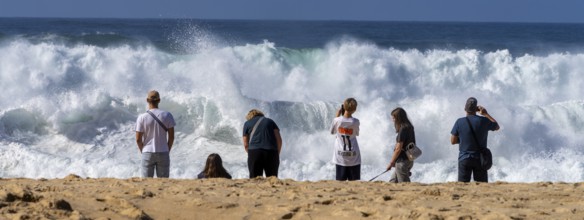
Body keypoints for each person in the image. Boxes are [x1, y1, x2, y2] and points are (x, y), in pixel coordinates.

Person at [450, 97, 499, 182]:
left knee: (462, 187)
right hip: (480, 159)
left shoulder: (459, 122)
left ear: (465, 109)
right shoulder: (483, 120)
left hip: (464, 158)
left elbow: (453, 141)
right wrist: (485, 114)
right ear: (476, 109)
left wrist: (463, 140)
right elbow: (497, 126)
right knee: (481, 186)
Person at [135, 90, 176, 178]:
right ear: (159, 100)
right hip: (163, 151)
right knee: (163, 183)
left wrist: (143, 151)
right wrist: (167, 149)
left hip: (147, 152)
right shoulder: (167, 115)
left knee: (146, 183)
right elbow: (171, 137)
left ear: (147, 100)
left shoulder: (142, 117)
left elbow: (138, 139)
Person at [242, 109, 282, 178]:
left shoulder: (247, 123)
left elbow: (246, 144)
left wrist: (252, 154)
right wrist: (276, 153)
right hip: (271, 152)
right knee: (272, 179)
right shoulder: (270, 121)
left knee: (254, 180)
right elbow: (279, 140)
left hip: (254, 152)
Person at [330, 98, 361, 181]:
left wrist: (337, 116)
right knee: (354, 183)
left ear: (343, 107)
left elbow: (332, 132)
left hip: (340, 156)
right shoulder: (356, 121)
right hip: (353, 155)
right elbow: (356, 133)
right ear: (355, 109)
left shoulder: (336, 120)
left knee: (340, 182)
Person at [386, 107, 415, 183]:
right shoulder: (410, 127)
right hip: (409, 159)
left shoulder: (403, 129)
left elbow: (398, 148)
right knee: (392, 182)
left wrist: (391, 163)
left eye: (394, 118)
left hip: (402, 161)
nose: (393, 120)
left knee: (404, 184)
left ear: (398, 118)